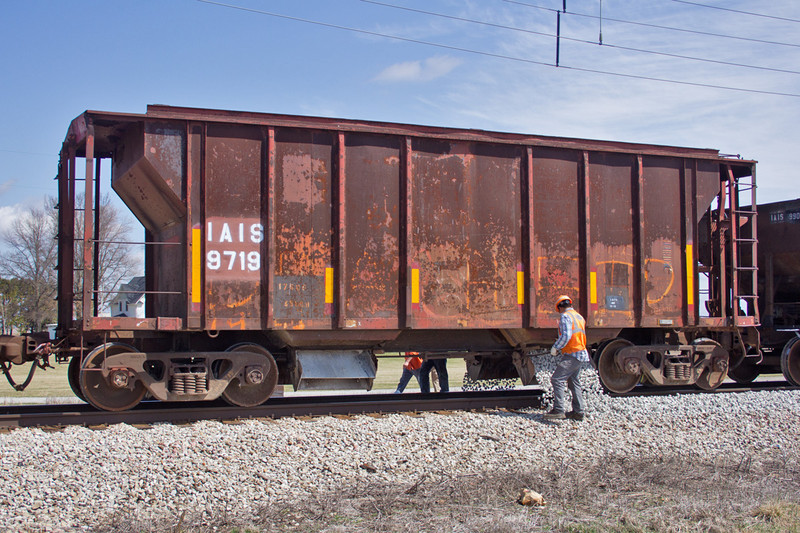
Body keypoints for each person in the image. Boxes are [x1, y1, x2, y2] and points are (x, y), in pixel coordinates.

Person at [544, 295, 590, 421]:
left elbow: (566, 336)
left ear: (559, 307)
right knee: (573, 381)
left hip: (573, 354)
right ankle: (578, 412)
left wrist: (556, 347)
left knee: (557, 379)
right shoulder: (579, 316)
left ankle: (558, 410)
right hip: (581, 353)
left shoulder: (565, 317)